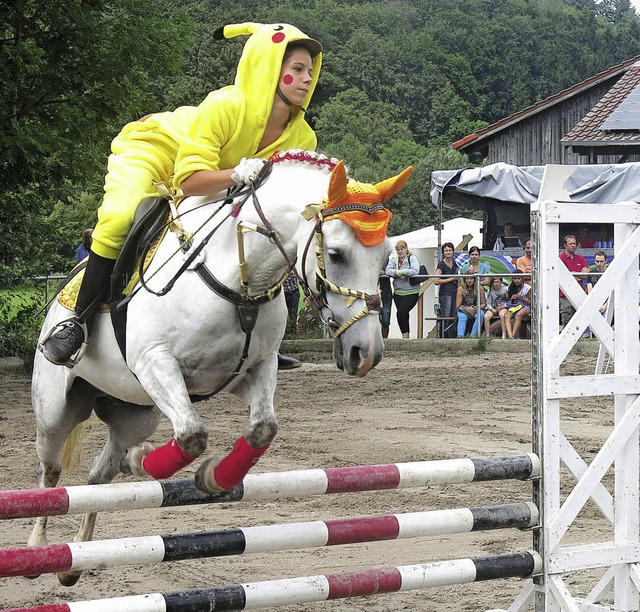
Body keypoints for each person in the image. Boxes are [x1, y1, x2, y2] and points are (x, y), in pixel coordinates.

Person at [40, 22, 323, 367]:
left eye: (310, 70)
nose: (308, 78)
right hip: (155, 151)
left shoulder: (304, 138)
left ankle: (262, 342)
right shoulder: (224, 106)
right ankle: (76, 324)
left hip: (210, 174)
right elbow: (188, 181)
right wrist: (235, 173)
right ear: (268, 69)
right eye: (297, 69)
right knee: (119, 216)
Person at [385, 240, 420, 338]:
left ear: (406, 249)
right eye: (398, 250)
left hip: (411, 291)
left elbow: (415, 270)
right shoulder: (394, 259)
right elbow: (388, 271)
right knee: (403, 315)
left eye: (402, 249)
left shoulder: (412, 258)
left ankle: (405, 337)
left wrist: (402, 272)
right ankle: (405, 335)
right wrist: (398, 273)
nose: (400, 251)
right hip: (398, 292)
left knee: (401, 312)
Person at [559, 234, 589, 332]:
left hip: (579, 292)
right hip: (565, 294)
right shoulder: (560, 259)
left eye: (574, 244)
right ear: (565, 245)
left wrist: (572, 275)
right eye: (570, 244)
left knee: (579, 317)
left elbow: (585, 275)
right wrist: (579, 274)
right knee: (567, 318)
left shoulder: (580, 258)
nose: (573, 245)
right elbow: (563, 277)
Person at [434, 242, 458, 338]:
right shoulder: (441, 264)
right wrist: (451, 279)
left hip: (455, 292)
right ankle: (443, 337)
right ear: (443, 252)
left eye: (450, 250)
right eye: (446, 250)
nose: (448, 252)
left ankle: (451, 337)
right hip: (445, 293)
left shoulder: (454, 262)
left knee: (453, 316)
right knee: (445, 316)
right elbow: (436, 280)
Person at [587, 251, 609, 315]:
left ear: (606, 261)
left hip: (608, 303)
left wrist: (606, 305)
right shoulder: (590, 274)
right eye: (597, 261)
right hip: (594, 304)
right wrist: (596, 305)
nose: (599, 264)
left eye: (601, 261)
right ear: (594, 261)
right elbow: (590, 293)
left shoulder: (610, 273)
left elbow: (613, 292)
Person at [379, 269, 393, 339]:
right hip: (371, 291)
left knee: (385, 321)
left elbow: (392, 269)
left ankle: (385, 341)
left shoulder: (387, 259)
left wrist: (384, 272)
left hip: (385, 293)